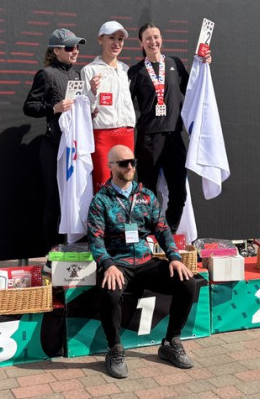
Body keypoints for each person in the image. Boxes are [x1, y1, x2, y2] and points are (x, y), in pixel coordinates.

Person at [87, 144, 197, 379]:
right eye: (123, 163)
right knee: (110, 292)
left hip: (146, 261)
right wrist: (108, 264)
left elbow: (162, 229)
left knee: (187, 282)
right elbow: (95, 239)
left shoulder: (146, 196)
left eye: (133, 162)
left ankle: (170, 342)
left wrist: (174, 257)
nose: (130, 167)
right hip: (118, 264)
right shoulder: (100, 200)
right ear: (110, 166)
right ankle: (114, 349)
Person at [128, 22, 210, 232]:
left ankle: (169, 233)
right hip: (148, 140)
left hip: (174, 136)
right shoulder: (135, 72)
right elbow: (125, 105)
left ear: (161, 39)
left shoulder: (175, 64)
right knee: (147, 193)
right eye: (148, 38)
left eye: (156, 37)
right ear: (141, 43)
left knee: (179, 192)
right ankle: (148, 235)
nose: (153, 41)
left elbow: (193, 89)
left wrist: (203, 65)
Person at [23, 28, 86, 250]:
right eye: (70, 47)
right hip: (53, 146)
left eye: (77, 47)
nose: (75, 51)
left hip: (73, 148)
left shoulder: (77, 75)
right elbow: (29, 107)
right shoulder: (46, 74)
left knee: (75, 198)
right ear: (56, 50)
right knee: (55, 199)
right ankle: (53, 249)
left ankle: (74, 245)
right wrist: (54, 108)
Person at [81, 21, 135, 190]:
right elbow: (84, 110)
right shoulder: (89, 70)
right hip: (102, 135)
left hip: (127, 134)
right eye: (112, 38)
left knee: (126, 182)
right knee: (103, 182)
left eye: (120, 39)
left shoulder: (126, 70)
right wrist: (92, 92)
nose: (116, 43)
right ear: (100, 39)